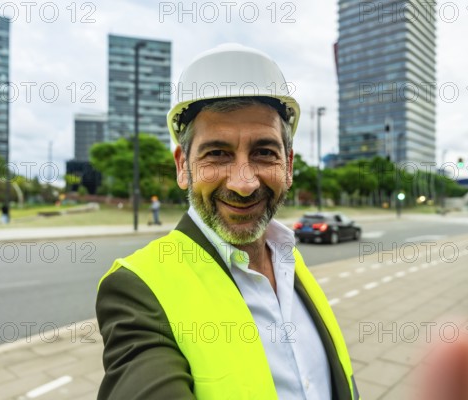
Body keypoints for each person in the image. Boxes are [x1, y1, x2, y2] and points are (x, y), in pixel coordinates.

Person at [96, 43, 359, 399]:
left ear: (289, 166)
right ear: (182, 166)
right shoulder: (137, 288)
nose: (243, 182)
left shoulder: (289, 261)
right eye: (217, 154)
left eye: (264, 152)